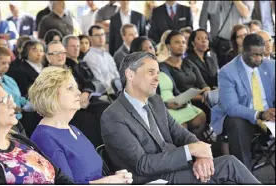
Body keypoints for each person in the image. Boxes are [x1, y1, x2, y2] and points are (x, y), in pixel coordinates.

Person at [100, 51, 260, 184]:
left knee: (227, 168)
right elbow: (142, 165)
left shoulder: (155, 101)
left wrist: (200, 154)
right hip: (150, 179)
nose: (157, 78)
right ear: (130, 75)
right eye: (150, 72)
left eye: (157, 73)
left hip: (173, 167)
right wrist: (191, 151)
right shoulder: (113, 116)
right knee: (221, 171)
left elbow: (179, 133)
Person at [29, 66, 133, 184]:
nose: (78, 92)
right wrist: (108, 181)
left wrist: (116, 178)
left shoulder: (73, 129)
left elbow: (95, 174)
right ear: (50, 95)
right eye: (70, 88)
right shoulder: (45, 137)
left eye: (76, 87)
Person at [211, 34, 275, 170]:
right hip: (243, 115)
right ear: (243, 51)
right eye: (255, 55)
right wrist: (261, 114)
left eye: (261, 54)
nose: (259, 59)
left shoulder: (271, 66)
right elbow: (231, 107)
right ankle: (244, 176)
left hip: (268, 113)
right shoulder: (227, 72)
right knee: (236, 123)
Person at [130, 35, 206, 141]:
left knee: (201, 116)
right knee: (182, 126)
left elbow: (174, 88)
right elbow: (145, 99)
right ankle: (187, 151)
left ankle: (192, 145)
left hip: (174, 101)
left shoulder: (162, 66)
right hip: (160, 107)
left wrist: (183, 99)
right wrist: (166, 105)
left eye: (151, 47)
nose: (149, 51)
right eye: (144, 49)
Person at [0, 81, 74, 184]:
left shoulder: (19, 139)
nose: (14, 105)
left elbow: (58, 175)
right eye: (5, 100)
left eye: (10, 98)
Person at [163, 31, 211, 122]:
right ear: (169, 46)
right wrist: (201, 98)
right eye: (177, 42)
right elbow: (175, 92)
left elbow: (202, 84)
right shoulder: (163, 66)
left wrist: (207, 92)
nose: (181, 45)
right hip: (180, 102)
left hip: (200, 98)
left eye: (183, 42)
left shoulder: (189, 63)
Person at [206, 1, 254, 68]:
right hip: (224, 40)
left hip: (241, 41)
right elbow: (211, 10)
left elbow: (246, 13)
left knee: (243, 67)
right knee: (224, 69)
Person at [83, 25, 119, 95]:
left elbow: (116, 75)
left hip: (116, 91)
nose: (101, 37)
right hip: (104, 94)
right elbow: (100, 82)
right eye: (97, 35)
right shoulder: (90, 57)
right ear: (90, 38)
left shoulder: (107, 55)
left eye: (102, 34)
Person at [0, 46, 28, 120]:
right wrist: (21, 109)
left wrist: (30, 102)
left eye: (8, 63)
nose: (7, 66)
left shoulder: (10, 79)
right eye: (3, 63)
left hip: (17, 119)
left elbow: (18, 98)